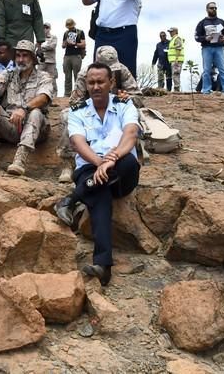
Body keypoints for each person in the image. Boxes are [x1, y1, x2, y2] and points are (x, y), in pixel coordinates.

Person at [54, 63, 141, 286]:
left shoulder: (124, 104)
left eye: (100, 81)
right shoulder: (77, 111)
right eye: (91, 82)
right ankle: (104, 266)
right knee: (101, 196)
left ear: (111, 83)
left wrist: (110, 161)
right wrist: (100, 163)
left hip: (121, 170)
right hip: (90, 169)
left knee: (130, 161)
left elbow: (131, 135)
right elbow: (78, 142)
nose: (95, 86)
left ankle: (72, 199)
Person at [0, 40, 54, 176]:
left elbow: (43, 97)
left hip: (35, 128)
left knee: (36, 112)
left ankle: (20, 159)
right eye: (18, 55)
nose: (20, 59)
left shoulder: (44, 77)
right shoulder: (9, 74)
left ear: (33, 58)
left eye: (25, 55)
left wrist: (24, 109)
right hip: (10, 125)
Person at [57, 45, 140, 183]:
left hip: (117, 110)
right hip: (91, 113)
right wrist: (94, 101)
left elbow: (138, 96)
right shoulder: (85, 74)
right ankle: (68, 163)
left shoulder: (123, 70)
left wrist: (127, 97)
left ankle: (131, 153)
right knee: (67, 115)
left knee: (135, 115)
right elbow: (75, 102)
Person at [194, 2, 224, 96]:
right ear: (207, 9)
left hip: (219, 48)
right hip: (207, 48)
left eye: (215, 8)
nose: (214, 9)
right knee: (207, 70)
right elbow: (196, 37)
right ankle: (206, 90)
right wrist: (205, 38)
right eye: (211, 8)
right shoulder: (202, 23)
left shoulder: (221, 22)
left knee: (223, 69)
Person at [62, 18, 86, 96]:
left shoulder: (80, 32)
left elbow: (83, 44)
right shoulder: (66, 33)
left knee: (77, 75)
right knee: (67, 76)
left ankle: (78, 93)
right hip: (67, 56)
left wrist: (75, 44)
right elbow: (62, 45)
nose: (70, 28)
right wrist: (66, 43)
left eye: (71, 26)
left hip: (76, 55)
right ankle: (67, 94)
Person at [38, 22, 58, 97]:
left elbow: (52, 46)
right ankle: (41, 95)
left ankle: (54, 96)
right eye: (44, 27)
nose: (45, 29)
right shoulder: (39, 38)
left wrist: (42, 47)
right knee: (40, 78)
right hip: (41, 61)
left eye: (47, 27)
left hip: (51, 61)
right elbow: (36, 47)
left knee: (52, 79)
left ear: (49, 28)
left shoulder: (53, 37)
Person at [167, 27, 185, 91]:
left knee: (176, 74)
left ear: (175, 31)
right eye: (170, 32)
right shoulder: (173, 39)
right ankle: (176, 89)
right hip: (174, 60)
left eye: (171, 32)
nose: (170, 33)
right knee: (175, 75)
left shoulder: (177, 38)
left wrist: (176, 59)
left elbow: (178, 48)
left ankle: (177, 90)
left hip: (176, 60)